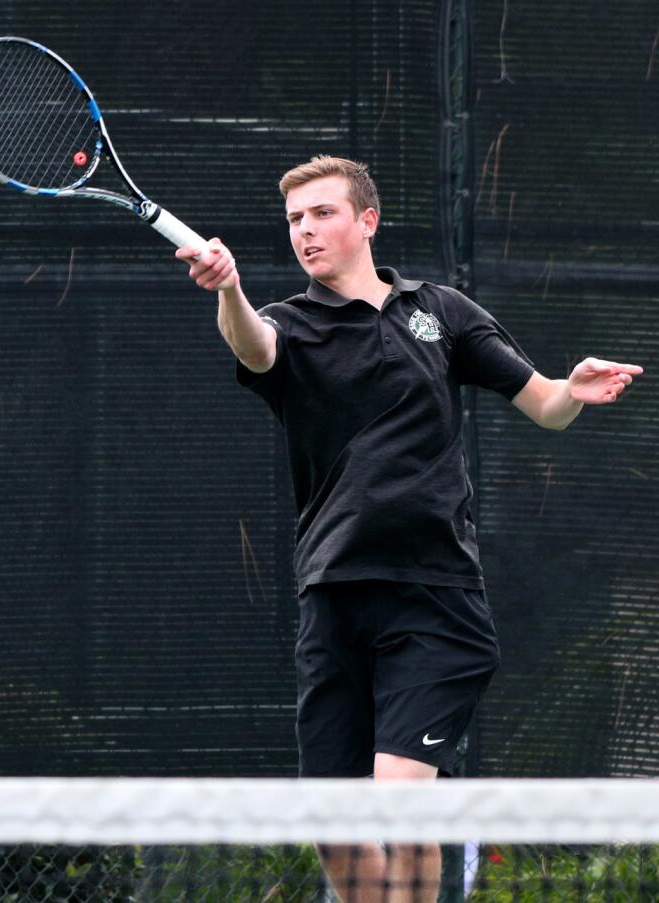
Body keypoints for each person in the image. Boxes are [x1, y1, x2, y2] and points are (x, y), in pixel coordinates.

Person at [175, 156, 642, 903]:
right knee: (333, 821)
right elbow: (253, 346)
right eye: (294, 219)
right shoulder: (291, 326)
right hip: (332, 595)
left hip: (436, 600)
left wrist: (574, 389)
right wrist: (229, 287)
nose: (305, 231)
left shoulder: (442, 311)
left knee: (398, 803)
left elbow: (546, 405)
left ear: (367, 221)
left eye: (321, 213)